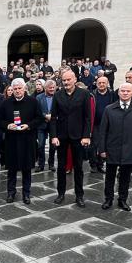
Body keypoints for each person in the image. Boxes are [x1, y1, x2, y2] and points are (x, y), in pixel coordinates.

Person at [96, 83, 132, 211]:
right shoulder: (109, 109)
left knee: (125, 177)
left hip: (130, 149)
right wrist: (102, 149)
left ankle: (122, 200)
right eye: (122, 91)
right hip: (112, 148)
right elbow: (103, 131)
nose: (125, 93)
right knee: (110, 177)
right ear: (118, 93)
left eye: (127, 91)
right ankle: (108, 199)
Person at [0, 78, 42, 204]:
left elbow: (39, 119)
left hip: (27, 139)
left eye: (19, 88)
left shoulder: (33, 102)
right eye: (15, 89)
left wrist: (28, 125)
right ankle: (11, 193)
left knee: (27, 169)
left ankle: (26, 193)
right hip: (11, 140)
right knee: (11, 169)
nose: (17, 91)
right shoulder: (6, 103)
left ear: (24, 89)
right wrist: (7, 125)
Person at [50, 70, 92, 207]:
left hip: (78, 136)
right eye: (64, 80)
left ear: (74, 79)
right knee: (61, 167)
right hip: (61, 136)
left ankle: (79, 195)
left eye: (69, 80)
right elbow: (54, 118)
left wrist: (86, 136)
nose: (66, 82)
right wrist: (54, 136)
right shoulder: (57, 95)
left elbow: (87, 118)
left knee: (78, 167)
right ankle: (60, 193)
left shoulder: (84, 94)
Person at [90, 76, 116, 174]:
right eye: (99, 83)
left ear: (107, 83)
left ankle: (100, 164)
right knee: (94, 145)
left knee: (104, 145)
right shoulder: (92, 94)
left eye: (103, 83)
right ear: (96, 84)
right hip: (95, 123)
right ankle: (93, 164)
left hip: (108, 124)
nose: (101, 84)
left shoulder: (112, 94)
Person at [36, 80, 57, 172]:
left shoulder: (58, 96)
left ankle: (51, 164)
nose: (52, 89)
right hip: (41, 124)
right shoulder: (38, 97)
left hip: (53, 125)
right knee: (40, 145)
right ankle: (41, 164)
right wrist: (45, 115)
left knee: (53, 146)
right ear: (45, 88)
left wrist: (52, 116)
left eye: (53, 87)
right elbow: (36, 111)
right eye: (50, 88)